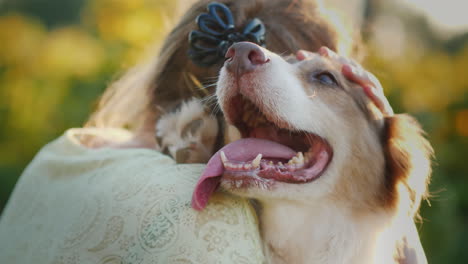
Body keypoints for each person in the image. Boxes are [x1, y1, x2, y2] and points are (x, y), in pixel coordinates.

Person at [0, 0, 416, 263]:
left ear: (155, 81)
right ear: (203, 133)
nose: (251, 60)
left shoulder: (63, 154)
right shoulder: (212, 231)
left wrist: (389, 154)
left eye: (325, 80)